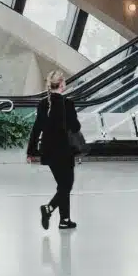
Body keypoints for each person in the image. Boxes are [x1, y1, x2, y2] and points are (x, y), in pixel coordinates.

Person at [28, 69, 81, 231]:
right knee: (67, 185)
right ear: (62, 84)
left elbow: (37, 128)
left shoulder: (43, 103)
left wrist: (30, 151)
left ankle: (65, 220)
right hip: (64, 150)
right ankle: (49, 209)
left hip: (48, 151)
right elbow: (75, 126)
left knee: (62, 185)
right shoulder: (68, 104)